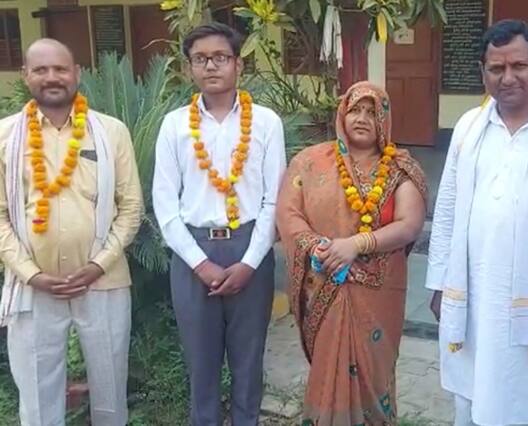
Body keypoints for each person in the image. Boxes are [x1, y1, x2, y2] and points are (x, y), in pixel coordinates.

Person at [426, 19, 528, 426]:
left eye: (519, 66)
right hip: (475, 297)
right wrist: (438, 282)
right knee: (473, 394)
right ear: (482, 72)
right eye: (496, 68)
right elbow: (448, 207)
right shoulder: (468, 127)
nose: (508, 78)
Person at [0, 39, 143, 426]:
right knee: (37, 396)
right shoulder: (5, 136)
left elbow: (131, 208)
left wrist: (98, 264)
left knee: (110, 389)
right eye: (40, 70)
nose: (52, 77)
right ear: (26, 75)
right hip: (32, 287)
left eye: (60, 69)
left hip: (104, 281)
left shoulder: (111, 132)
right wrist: (31, 274)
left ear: (77, 73)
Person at [152, 23, 286, 425]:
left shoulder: (266, 122)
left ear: (238, 64)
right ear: (189, 68)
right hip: (193, 254)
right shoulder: (174, 125)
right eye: (200, 59)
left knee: (249, 362)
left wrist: (250, 262)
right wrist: (200, 263)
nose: (211, 66)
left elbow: (274, 199)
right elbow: (164, 204)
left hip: (250, 248)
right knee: (201, 365)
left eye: (220, 57)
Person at [276, 81, 427, 425]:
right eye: (355, 110)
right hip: (323, 281)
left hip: (378, 294)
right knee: (328, 368)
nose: (361, 118)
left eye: (372, 113)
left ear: (384, 121)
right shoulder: (310, 162)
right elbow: (288, 213)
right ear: (342, 114)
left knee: (373, 374)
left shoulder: (401, 169)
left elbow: (409, 224)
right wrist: (317, 247)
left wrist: (355, 245)